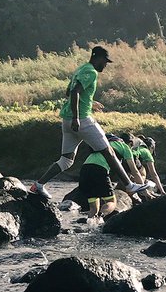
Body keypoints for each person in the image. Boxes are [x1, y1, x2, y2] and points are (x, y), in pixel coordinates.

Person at [36, 46, 139, 198]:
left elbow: (68, 92)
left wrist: (90, 103)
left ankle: (39, 185)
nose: (105, 65)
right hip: (82, 120)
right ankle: (130, 185)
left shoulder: (80, 69)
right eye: (105, 61)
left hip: (67, 120)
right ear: (98, 58)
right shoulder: (91, 72)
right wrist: (77, 117)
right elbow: (74, 92)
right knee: (109, 151)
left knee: (66, 160)